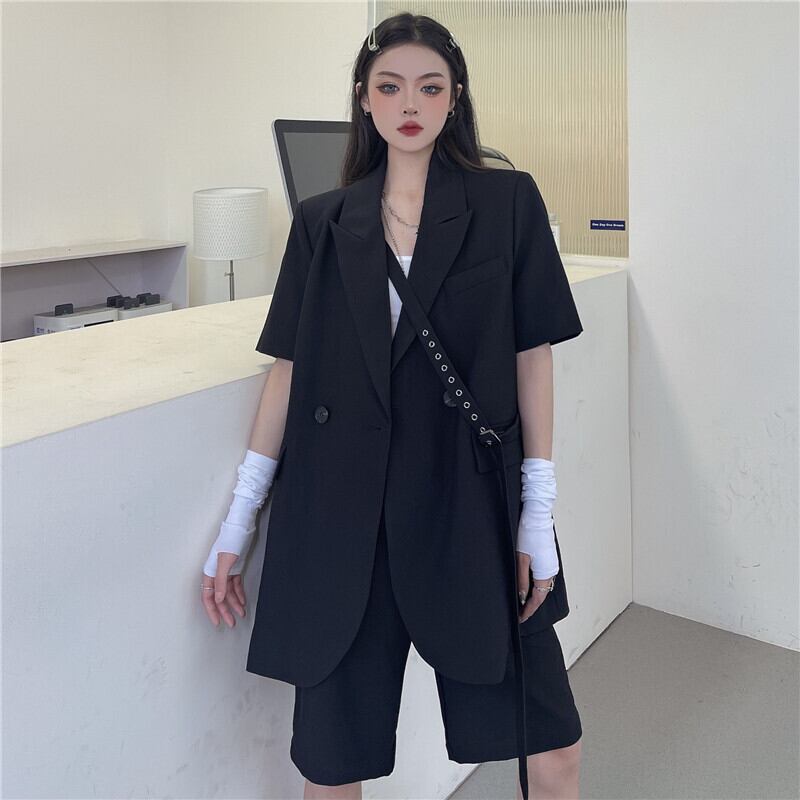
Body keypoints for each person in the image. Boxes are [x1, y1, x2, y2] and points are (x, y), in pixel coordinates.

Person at [201, 12, 584, 800]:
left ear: (455, 98)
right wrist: (239, 521)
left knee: (552, 750)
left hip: (472, 514)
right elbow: (289, 372)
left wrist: (537, 512)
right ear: (363, 98)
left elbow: (532, 358)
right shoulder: (323, 222)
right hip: (344, 525)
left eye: (430, 87)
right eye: (390, 86)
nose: (410, 103)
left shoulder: (507, 202)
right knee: (330, 767)